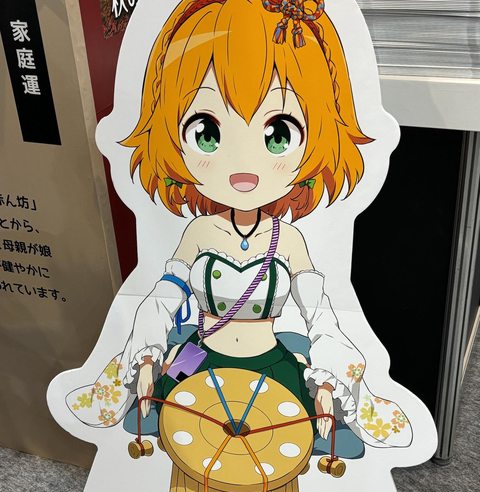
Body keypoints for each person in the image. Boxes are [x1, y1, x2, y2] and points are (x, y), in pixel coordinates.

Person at [67, 0, 412, 456]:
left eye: (278, 135)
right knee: (176, 430)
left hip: (272, 363)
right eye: (207, 133)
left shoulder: (289, 239)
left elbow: (322, 316)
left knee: (286, 442)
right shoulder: (199, 233)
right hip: (199, 356)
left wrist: (330, 375)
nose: (244, 165)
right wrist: (147, 354)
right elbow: (164, 297)